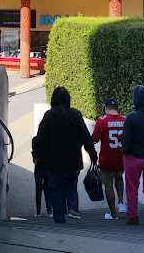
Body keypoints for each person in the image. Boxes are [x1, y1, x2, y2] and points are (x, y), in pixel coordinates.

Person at [35, 87, 97, 223]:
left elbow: (40, 139)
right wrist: (92, 154)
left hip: (54, 161)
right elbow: (86, 137)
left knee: (55, 189)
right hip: (73, 160)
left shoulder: (49, 116)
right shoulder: (75, 115)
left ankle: (59, 218)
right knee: (71, 184)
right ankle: (72, 208)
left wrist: (38, 157)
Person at [122, 85, 144, 228]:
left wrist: (125, 151)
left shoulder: (131, 117)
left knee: (132, 188)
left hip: (133, 157)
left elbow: (126, 140)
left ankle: (133, 216)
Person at [91, 98, 126, 220]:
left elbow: (94, 139)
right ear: (117, 108)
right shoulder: (125, 120)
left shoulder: (102, 121)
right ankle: (121, 203)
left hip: (107, 160)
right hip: (122, 159)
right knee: (119, 177)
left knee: (108, 185)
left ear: (106, 108)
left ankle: (113, 214)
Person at [31, 135, 53, 218]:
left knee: (38, 189)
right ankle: (49, 210)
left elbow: (34, 152)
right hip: (48, 168)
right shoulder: (50, 140)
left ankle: (38, 211)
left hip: (39, 167)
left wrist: (35, 158)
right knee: (47, 189)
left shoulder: (35, 140)